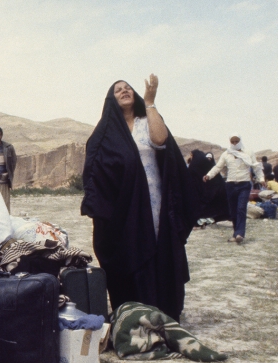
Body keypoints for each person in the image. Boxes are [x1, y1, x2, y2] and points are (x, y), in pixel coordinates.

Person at [81, 76, 197, 321]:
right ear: (111, 100)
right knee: (128, 248)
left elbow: (161, 140)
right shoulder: (105, 133)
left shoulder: (148, 121)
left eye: (127, 89)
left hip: (154, 201)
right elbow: (95, 168)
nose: (124, 91)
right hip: (123, 206)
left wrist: (151, 102)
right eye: (117, 90)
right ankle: (132, 308)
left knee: (157, 246)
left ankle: (163, 307)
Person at [204, 135, 266, 244]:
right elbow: (218, 167)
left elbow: (256, 167)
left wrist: (261, 178)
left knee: (241, 208)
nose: (234, 143)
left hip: (244, 184)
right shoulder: (227, 154)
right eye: (232, 141)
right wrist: (209, 175)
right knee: (232, 210)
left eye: (236, 141)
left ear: (240, 141)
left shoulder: (248, 153)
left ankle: (240, 234)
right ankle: (235, 233)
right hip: (230, 184)